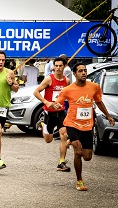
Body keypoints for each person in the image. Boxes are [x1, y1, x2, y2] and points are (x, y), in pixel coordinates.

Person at [55, 62, 115, 191]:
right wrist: (56, 105)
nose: (83, 73)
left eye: (85, 70)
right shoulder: (67, 89)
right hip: (72, 123)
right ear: (75, 74)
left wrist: (108, 116)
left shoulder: (94, 87)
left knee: (87, 156)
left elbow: (99, 102)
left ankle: (71, 141)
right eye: (80, 71)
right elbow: (58, 103)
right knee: (78, 151)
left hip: (87, 125)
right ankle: (79, 180)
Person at [33, 57, 71, 172]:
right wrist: (46, 102)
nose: (58, 68)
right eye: (56, 66)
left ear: (64, 66)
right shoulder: (49, 79)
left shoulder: (66, 81)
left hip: (61, 112)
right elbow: (36, 92)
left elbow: (68, 96)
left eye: (60, 66)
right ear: (53, 67)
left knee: (64, 135)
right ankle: (43, 124)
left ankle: (61, 162)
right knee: (48, 139)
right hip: (49, 112)